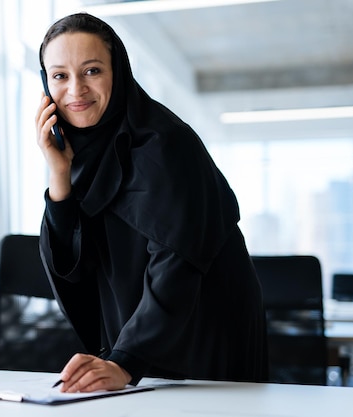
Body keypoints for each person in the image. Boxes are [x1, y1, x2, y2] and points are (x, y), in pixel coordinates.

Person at [35, 13, 268, 393]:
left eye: (92, 70)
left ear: (119, 72)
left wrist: (126, 361)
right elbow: (71, 270)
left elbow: (176, 264)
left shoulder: (165, 144)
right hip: (140, 354)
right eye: (60, 76)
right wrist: (59, 176)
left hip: (204, 344)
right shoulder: (80, 159)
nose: (76, 90)